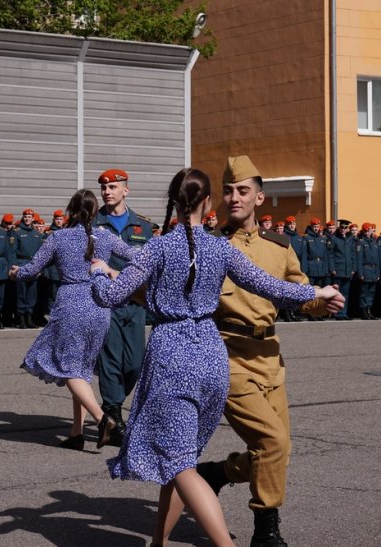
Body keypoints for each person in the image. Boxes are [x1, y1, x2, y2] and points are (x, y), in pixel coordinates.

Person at [89, 167, 343, 547]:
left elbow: (110, 296)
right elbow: (270, 286)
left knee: (179, 463)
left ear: (173, 202)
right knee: (181, 456)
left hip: (173, 354)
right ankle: (158, 542)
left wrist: (97, 272)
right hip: (212, 355)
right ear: (208, 203)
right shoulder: (221, 247)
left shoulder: (157, 247)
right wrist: (318, 293)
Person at [193, 156, 343, 547]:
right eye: (228, 191)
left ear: (260, 198)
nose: (233, 197)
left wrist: (320, 305)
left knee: (278, 450)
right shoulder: (213, 247)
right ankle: (266, 531)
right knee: (272, 444)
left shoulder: (279, 246)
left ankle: (220, 473)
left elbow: (299, 291)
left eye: (242, 190)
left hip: (270, 356)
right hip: (228, 353)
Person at [10, 189, 136, 449]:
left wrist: (15, 273)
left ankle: (104, 421)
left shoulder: (59, 237)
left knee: (67, 367)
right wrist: (112, 271)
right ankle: (76, 433)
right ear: (94, 212)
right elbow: (136, 255)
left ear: (71, 211)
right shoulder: (105, 236)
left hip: (71, 305)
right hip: (100, 306)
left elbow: (32, 270)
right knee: (81, 369)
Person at [93, 168, 153, 445]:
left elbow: (149, 265)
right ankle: (113, 414)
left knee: (136, 364)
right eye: (104, 188)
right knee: (111, 360)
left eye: (113, 187)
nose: (107, 192)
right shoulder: (93, 225)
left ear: (126, 190)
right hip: (107, 305)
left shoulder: (143, 226)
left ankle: (112, 407)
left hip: (136, 304)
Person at [11, 209, 44, 328]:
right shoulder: (17, 232)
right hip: (21, 264)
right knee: (21, 293)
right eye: (25, 216)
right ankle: (21, 319)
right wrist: (14, 266)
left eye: (29, 216)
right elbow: (12, 251)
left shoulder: (37, 234)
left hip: (33, 265)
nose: (27, 218)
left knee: (31, 293)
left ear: (33, 218)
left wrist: (40, 268)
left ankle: (29, 318)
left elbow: (42, 254)